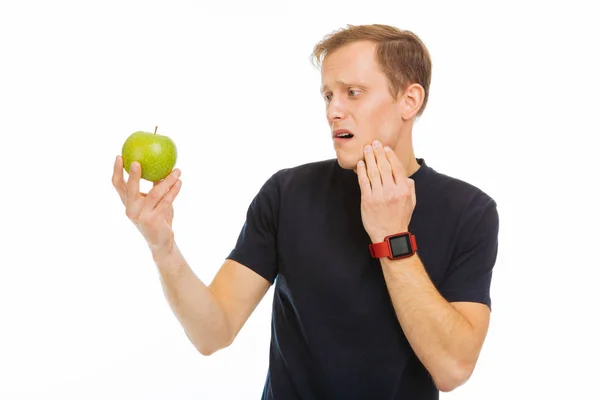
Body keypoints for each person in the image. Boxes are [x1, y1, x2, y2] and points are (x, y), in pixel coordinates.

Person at [112, 24, 499, 400]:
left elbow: (453, 369)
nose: (334, 111)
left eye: (353, 92)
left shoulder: (470, 211)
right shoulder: (287, 193)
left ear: (409, 101)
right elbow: (213, 333)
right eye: (328, 95)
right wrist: (162, 245)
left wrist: (391, 237)